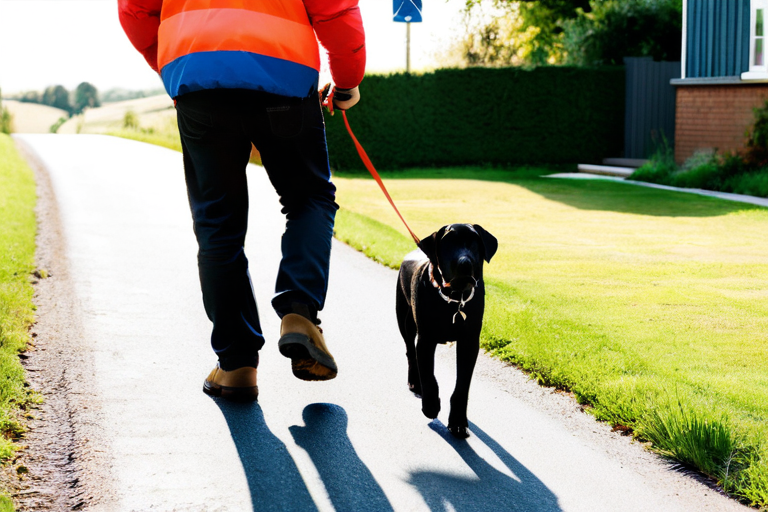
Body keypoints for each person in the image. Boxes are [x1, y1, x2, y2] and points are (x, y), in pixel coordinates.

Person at [118, 0, 366, 401]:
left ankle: (236, 366)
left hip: (200, 80)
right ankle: (299, 312)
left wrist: (172, 64)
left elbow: (134, 11)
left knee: (218, 226)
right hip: (283, 74)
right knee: (310, 198)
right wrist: (347, 80)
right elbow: (336, 10)